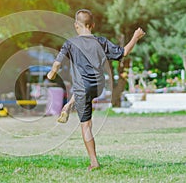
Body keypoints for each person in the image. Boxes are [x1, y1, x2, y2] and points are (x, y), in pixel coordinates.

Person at [47, 9, 145, 171]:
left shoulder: (70, 43)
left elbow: (57, 64)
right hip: (99, 86)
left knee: (86, 126)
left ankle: (94, 162)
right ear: (92, 25)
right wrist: (135, 36)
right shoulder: (101, 41)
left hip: (83, 88)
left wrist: (51, 74)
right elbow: (124, 52)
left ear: (76, 25)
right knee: (81, 91)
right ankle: (68, 105)